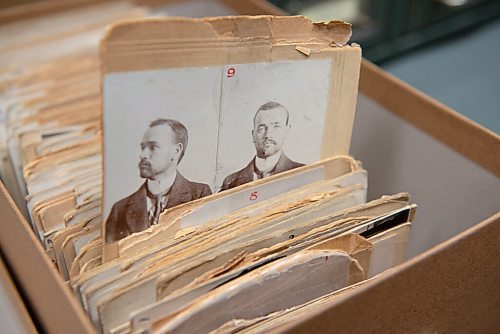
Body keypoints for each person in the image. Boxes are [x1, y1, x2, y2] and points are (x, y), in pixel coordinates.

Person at [105, 119, 211, 243]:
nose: (143, 155)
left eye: (153, 147)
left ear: (176, 150)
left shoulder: (199, 195)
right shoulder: (120, 210)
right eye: (143, 148)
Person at [220, 101, 304, 191]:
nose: (268, 135)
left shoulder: (304, 174)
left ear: (287, 131)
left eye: (276, 126)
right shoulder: (230, 182)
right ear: (253, 135)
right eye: (261, 128)